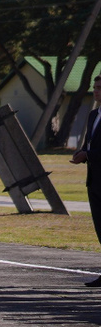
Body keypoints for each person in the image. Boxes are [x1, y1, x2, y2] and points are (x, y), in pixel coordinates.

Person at [68, 70, 101, 287]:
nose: (95, 91)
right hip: (94, 180)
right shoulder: (93, 115)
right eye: (94, 87)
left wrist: (88, 155)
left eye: (99, 88)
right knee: (100, 229)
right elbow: (90, 143)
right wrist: (81, 152)